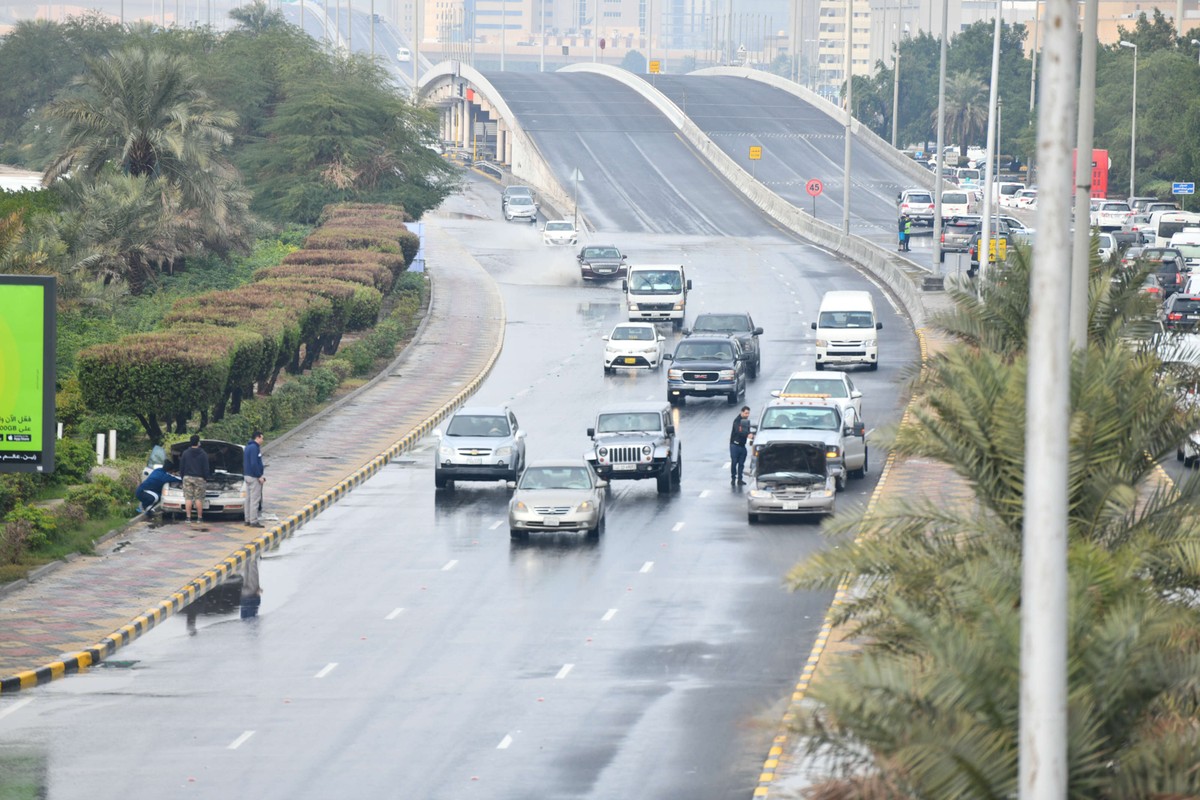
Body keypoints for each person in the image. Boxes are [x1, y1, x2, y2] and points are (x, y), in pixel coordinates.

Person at [178, 434, 211, 524]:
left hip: (187, 478)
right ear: (198, 442)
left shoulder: (185, 453)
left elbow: (181, 467)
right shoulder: (203, 454)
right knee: (198, 498)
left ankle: (188, 518)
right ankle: (199, 518)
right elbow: (206, 468)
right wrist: (205, 478)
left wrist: (182, 477)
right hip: (199, 478)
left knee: (188, 498)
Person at [243, 431, 266, 528]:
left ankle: (247, 519)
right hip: (253, 477)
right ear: (258, 437)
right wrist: (259, 476)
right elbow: (254, 463)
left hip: (247, 475)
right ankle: (254, 521)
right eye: (262, 438)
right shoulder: (254, 448)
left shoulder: (248, 447)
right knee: (254, 499)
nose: (263, 440)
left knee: (248, 499)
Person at [729, 405, 754, 485]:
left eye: (748, 413)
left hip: (742, 445)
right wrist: (748, 434)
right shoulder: (737, 421)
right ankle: (733, 478)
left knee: (741, 463)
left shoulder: (746, 422)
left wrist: (751, 436)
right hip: (735, 445)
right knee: (734, 462)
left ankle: (740, 479)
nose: (747, 415)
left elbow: (748, 431)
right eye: (746, 413)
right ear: (742, 412)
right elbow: (738, 431)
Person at [240, 551, 263, 619]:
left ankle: (252, 554)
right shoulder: (244, 619)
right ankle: (248, 555)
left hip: (252, 595)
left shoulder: (253, 618)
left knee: (253, 570)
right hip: (244, 597)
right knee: (247, 570)